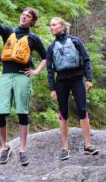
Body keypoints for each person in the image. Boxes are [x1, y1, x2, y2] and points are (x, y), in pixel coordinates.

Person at [0, 8, 47, 165]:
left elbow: (46, 57)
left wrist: (36, 71)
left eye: (28, 16)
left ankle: (22, 150)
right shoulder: (9, 32)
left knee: (22, 113)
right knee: (0, 113)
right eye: (23, 15)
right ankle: (4, 147)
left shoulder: (34, 38)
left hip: (23, 77)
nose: (24, 17)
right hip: (6, 76)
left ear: (32, 21)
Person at [46, 17, 99, 161]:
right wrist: (52, 88)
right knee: (63, 112)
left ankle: (88, 145)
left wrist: (88, 79)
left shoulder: (75, 41)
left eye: (54, 25)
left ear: (63, 27)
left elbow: (86, 59)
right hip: (61, 82)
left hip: (77, 79)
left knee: (82, 109)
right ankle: (64, 148)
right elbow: (50, 70)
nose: (51, 27)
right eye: (50, 25)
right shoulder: (51, 48)